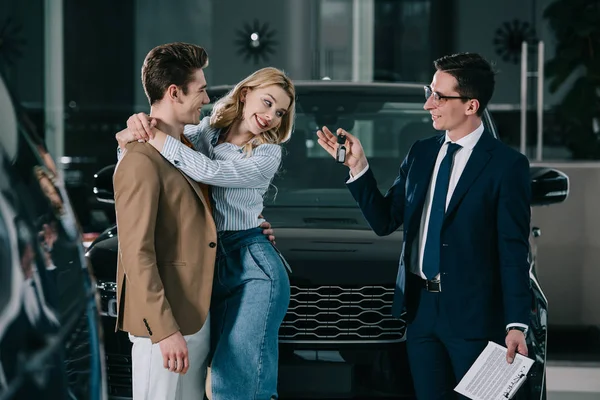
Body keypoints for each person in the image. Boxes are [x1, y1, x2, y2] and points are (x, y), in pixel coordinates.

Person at [316, 52, 531, 399]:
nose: (429, 104)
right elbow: (385, 220)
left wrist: (517, 323)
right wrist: (358, 168)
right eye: (429, 92)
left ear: (471, 105)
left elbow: (513, 250)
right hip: (421, 313)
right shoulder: (421, 154)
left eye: (439, 96)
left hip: (475, 317)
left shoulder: (507, 166)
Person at [119, 66, 295, 399]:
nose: (271, 116)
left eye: (280, 112)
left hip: (251, 266)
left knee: (236, 381)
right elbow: (162, 163)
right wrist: (131, 136)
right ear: (245, 94)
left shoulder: (268, 153)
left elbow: (208, 171)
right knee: (210, 380)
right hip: (209, 262)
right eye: (268, 102)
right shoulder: (207, 133)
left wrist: (151, 135)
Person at [114, 42, 216, 400]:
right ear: (175, 92)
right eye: (201, 89)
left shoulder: (190, 149)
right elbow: (135, 253)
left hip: (195, 317)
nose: (206, 98)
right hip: (163, 326)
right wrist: (164, 330)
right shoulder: (139, 160)